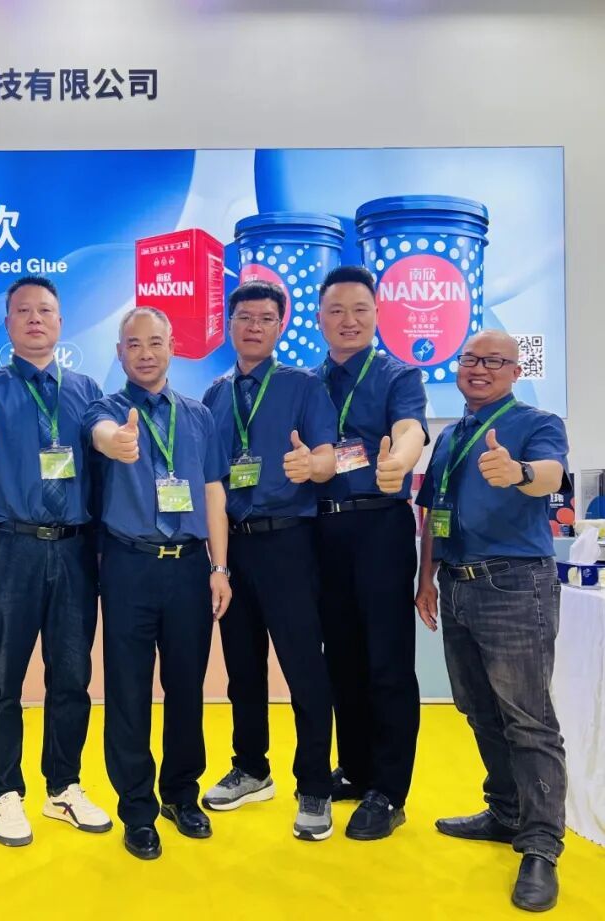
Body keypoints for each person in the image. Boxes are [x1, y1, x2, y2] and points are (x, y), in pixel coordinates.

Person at [0, 276, 110, 847]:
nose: (35, 319)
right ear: (9, 323)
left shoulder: (88, 390)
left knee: (72, 676)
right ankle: (5, 793)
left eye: (45, 310)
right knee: (1, 679)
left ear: (61, 323)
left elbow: (105, 451)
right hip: (9, 549)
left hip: (74, 549)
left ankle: (63, 787)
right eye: (23, 311)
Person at [415, 330, 568, 913]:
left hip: (514, 584)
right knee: (479, 709)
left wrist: (519, 472)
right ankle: (505, 811)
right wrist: (425, 578)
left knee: (528, 720)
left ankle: (541, 845)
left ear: (514, 370)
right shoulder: (450, 436)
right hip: (455, 584)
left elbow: (552, 474)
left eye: (495, 361)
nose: (480, 369)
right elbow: (432, 513)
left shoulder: (536, 423)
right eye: (471, 359)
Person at [84, 306, 231, 860]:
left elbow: (213, 490)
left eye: (155, 342)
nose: (145, 353)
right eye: (133, 344)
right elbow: (100, 435)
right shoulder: (106, 409)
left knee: (186, 686)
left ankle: (181, 795)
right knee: (127, 690)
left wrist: (219, 567)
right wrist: (116, 442)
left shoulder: (198, 415)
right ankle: (137, 809)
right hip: (129, 565)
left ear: (172, 346)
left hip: (190, 566)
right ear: (119, 353)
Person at [200, 281, 338, 841]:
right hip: (232, 546)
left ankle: (314, 785)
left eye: (264, 318)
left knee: (305, 669)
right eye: (244, 317)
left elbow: (328, 453)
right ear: (229, 325)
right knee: (242, 668)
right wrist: (217, 560)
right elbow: (208, 479)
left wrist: (315, 465)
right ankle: (252, 769)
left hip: (289, 543)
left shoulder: (303, 386)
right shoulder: (213, 395)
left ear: (281, 326)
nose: (253, 326)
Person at [313, 265, 427, 839]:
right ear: (319, 319)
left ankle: (389, 789)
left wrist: (399, 460)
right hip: (321, 533)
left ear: (377, 314)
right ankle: (356, 770)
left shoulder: (397, 375)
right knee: (341, 660)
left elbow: (410, 430)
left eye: (360, 309)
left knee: (387, 662)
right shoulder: (307, 382)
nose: (348, 320)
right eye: (336, 310)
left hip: (380, 527)